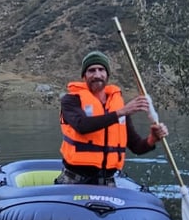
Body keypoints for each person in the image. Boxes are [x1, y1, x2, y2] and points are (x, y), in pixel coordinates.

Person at [56, 50, 168, 186]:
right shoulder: (70, 100)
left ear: (107, 74)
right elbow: (82, 126)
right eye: (91, 70)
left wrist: (152, 139)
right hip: (75, 180)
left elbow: (137, 147)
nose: (97, 75)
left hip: (107, 182)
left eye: (101, 70)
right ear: (84, 76)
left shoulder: (118, 106)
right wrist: (121, 112)